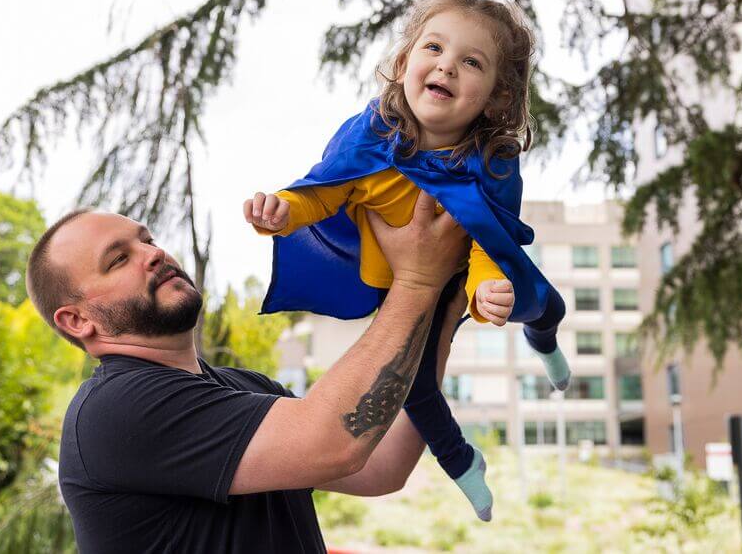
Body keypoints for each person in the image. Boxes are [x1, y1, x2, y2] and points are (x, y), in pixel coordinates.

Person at [244, 0, 568, 522]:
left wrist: (486, 289)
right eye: (434, 49)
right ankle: (462, 462)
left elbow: (491, 236)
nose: (447, 67)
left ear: (496, 99)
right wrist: (283, 209)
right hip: (396, 280)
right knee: (413, 388)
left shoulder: (492, 162)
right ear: (402, 63)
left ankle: (545, 337)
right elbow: (327, 189)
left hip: (466, 272)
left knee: (543, 300)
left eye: (471, 61)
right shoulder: (369, 135)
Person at [24, 191, 469, 553]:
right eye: (118, 259)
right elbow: (335, 444)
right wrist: (415, 284)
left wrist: (441, 307)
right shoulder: (114, 410)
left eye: (147, 239)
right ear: (78, 321)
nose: (154, 253)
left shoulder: (245, 389)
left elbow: (380, 466)